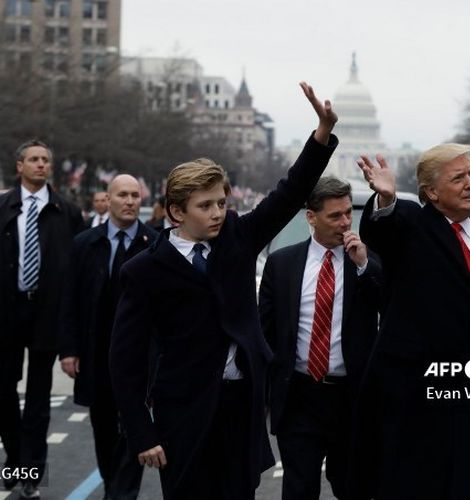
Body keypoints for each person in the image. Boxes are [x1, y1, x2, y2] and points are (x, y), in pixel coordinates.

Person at [108, 82, 337, 500]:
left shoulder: (237, 237)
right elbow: (124, 361)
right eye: (205, 205)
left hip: (240, 408)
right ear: (177, 212)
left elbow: (288, 194)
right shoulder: (143, 270)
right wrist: (141, 433)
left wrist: (321, 135)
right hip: (183, 412)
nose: (217, 213)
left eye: (221, 202)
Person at [355, 145, 470, 498]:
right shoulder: (411, 225)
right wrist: (386, 200)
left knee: (461, 486)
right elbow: (382, 231)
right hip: (413, 394)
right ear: (432, 192)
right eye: (458, 178)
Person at [259, 177, 381, 499]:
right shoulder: (281, 263)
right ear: (311, 217)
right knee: (299, 489)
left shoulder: (367, 260)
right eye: (334, 216)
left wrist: (364, 265)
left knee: (354, 487)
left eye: (347, 214)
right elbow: (265, 331)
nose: (344, 223)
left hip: (351, 397)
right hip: (299, 396)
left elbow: (391, 302)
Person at [58, 175, 157, 499]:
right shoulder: (85, 244)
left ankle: (121, 493)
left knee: (133, 426)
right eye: (123, 195)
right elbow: (69, 299)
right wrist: (69, 350)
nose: (130, 201)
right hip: (96, 353)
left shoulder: (154, 244)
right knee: (102, 427)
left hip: (139, 358)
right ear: (108, 200)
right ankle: (114, 485)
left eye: (134, 195)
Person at [0, 139, 84, 499]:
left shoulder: (67, 211)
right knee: (3, 392)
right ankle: (18, 459)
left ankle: (30, 475)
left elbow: (79, 270)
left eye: (45, 160)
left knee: (38, 397)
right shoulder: (3, 207)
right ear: (19, 165)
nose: (40, 165)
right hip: (7, 311)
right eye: (33, 159)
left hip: (48, 313)